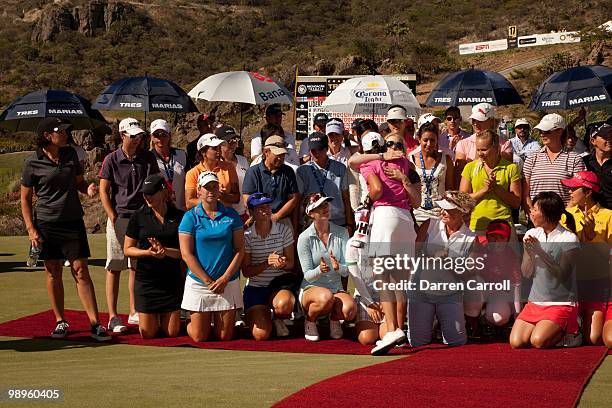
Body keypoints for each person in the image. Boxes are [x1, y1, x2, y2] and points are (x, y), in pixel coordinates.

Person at [21, 117, 110, 341]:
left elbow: (79, 182)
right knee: (53, 270)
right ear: (47, 136)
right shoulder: (33, 163)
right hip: (46, 223)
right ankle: (60, 321)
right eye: (60, 131)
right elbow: (25, 199)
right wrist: (31, 229)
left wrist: (87, 188)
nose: (65, 134)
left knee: (81, 270)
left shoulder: (70, 155)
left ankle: (95, 323)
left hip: (72, 221)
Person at [361, 132, 421, 355]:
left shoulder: (373, 163)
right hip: (406, 220)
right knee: (397, 280)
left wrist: (368, 199)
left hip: (386, 216)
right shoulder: (406, 164)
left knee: (382, 276)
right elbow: (417, 201)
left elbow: (375, 190)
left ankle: (392, 329)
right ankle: (397, 327)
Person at [99, 117, 160, 332]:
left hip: (141, 217)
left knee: (136, 265)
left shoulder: (148, 158)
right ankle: (113, 317)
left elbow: (154, 185)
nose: (137, 140)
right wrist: (112, 215)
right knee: (115, 266)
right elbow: (103, 190)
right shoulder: (111, 159)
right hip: (119, 217)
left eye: (139, 136)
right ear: (122, 135)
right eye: (133, 136)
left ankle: (134, 311)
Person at [509, 192, 581, 349]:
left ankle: (572, 331)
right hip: (535, 301)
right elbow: (526, 273)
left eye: (535, 210)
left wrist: (540, 252)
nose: (532, 213)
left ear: (548, 214)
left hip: (560, 303)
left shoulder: (568, 238)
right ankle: (549, 328)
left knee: (538, 341)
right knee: (516, 342)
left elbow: (562, 275)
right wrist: (530, 253)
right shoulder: (532, 234)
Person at [179, 172, 245, 342]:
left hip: (227, 281)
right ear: (199, 190)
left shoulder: (231, 215)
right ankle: (190, 322)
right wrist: (207, 281)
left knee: (224, 336)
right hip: (199, 282)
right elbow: (187, 254)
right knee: (200, 336)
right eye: (207, 188)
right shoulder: (190, 217)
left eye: (214, 187)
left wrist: (225, 278)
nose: (211, 191)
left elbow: (239, 250)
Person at [411, 191, 477, 347]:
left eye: (448, 209)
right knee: (417, 342)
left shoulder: (471, 238)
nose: (443, 212)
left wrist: (449, 263)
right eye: (442, 208)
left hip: (450, 295)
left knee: (457, 343)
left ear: (462, 212)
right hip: (421, 292)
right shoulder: (429, 224)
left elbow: (470, 273)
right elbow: (413, 254)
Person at [123, 174, 183, 339]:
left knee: (172, 333)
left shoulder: (179, 216)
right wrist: (148, 253)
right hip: (146, 282)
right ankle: (153, 317)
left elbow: (185, 253)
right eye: (145, 193)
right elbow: (128, 249)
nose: (147, 197)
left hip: (171, 281)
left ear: (163, 192)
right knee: (148, 333)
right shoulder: (138, 216)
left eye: (151, 192)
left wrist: (164, 251)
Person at [561, 171, 612, 345]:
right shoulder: (565, 215)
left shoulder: (608, 215)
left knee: (593, 338)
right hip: (571, 283)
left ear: (588, 192)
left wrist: (592, 237)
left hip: (597, 281)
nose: (569, 192)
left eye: (574, 188)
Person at [298, 193, 356, 341]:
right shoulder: (304, 238)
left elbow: (346, 270)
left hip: (336, 288)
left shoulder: (342, 232)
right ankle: (310, 320)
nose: (325, 208)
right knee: (325, 297)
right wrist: (319, 270)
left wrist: (338, 267)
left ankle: (334, 319)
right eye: (319, 206)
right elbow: (307, 275)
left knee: (350, 310)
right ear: (311, 213)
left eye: (326, 204)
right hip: (311, 289)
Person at [242, 193, 297, 340]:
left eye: (267, 206)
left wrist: (282, 263)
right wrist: (267, 263)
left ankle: (278, 317)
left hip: (278, 285)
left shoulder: (284, 230)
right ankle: (265, 315)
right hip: (256, 287)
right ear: (251, 212)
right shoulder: (246, 235)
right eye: (260, 208)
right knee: (261, 335)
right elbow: (246, 271)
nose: (265, 210)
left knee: (284, 305)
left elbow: (291, 264)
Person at [463, 220, 521, 339]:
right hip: (480, 291)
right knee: (475, 282)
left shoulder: (510, 255)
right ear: (487, 236)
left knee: (498, 317)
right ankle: (471, 323)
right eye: (493, 236)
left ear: (507, 239)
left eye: (501, 237)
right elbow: (469, 273)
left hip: (498, 292)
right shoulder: (479, 247)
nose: (496, 241)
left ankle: (485, 322)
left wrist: (517, 318)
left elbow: (516, 286)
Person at [522, 113, 586, 215]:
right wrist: (533, 216)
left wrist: (565, 218)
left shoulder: (574, 159)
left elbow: (578, 193)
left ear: (560, 131)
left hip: (564, 219)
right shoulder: (531, 158)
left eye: (547, 131)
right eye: (541, 131)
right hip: (536, 220)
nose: (542, 134)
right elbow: (525, 194)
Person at [459, 130, 521, 232]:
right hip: (478, 225)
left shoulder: (511, 168)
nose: (480, 154)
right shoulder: (470, 167)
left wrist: (496, 188)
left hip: (503, 227)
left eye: (484, 150)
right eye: (478, 150)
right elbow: (462, 201)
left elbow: (516, 202)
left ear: (496, 148)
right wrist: (484, 190)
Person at [297, 132, 354, 230]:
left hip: (337, 222)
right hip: (311, 223)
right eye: (313, 150)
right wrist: (297, 226)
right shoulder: (302, 170)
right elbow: (298, 201)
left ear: (327, 148)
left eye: (320, 149)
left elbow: (345, 197)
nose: (316, 153)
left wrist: (349, 224)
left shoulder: (340, 168)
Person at [242, 135, 300, 233]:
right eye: (277, 155)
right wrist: (265, 215)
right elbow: (247, 199)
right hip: (258, 220)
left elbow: (294, 197)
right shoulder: (253, 171)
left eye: (282, 155)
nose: (280, 158)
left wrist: (277, 215)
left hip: (283, 221)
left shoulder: (288, 171)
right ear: (266, 152)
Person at [409, 123, 455, 223]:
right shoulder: (410, 160)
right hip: (417, 214)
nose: (429, 144)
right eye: (425, 140)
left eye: (433, 140)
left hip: (439, 215)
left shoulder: (446, 159)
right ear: (419, 138)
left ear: (437, 139)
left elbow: (450, 188)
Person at [184, 133, 240, 210]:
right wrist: (211, 198)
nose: (218, 151)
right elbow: (189, 203)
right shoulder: (192, 173)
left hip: (225, 217)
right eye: (214, 148)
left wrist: (220, 195)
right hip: (202, 219)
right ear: (203, 152)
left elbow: (236, 198)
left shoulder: (229, 168)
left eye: (219, 148)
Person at [455, 103, 513, 176]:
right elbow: (459, 172)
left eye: (480, 120)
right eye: (474, 120)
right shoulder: (463, 143)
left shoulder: (505, 144)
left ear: (492, 121)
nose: (476, 124)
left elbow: (506, 171)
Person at [150, 119, 187, 210]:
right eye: (156, 135)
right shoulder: (148, 158)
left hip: (181, 208)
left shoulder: (181, 154)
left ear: (169, 135)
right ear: (151, 137)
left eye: (164, 134)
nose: (160, 138)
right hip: (160, 210)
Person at [216, 124, 249, 221]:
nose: (233, 144)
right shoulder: (215, 164)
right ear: (219, 144)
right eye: (229, 141)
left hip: (243, 213)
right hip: (224, 215)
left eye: (235, 140)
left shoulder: (243, 160)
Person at [583, 123, 612, 209]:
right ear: (593, 141)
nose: (610, 140)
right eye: (605, 137)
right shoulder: (585, 161)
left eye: (611, 136)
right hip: (593, 213)